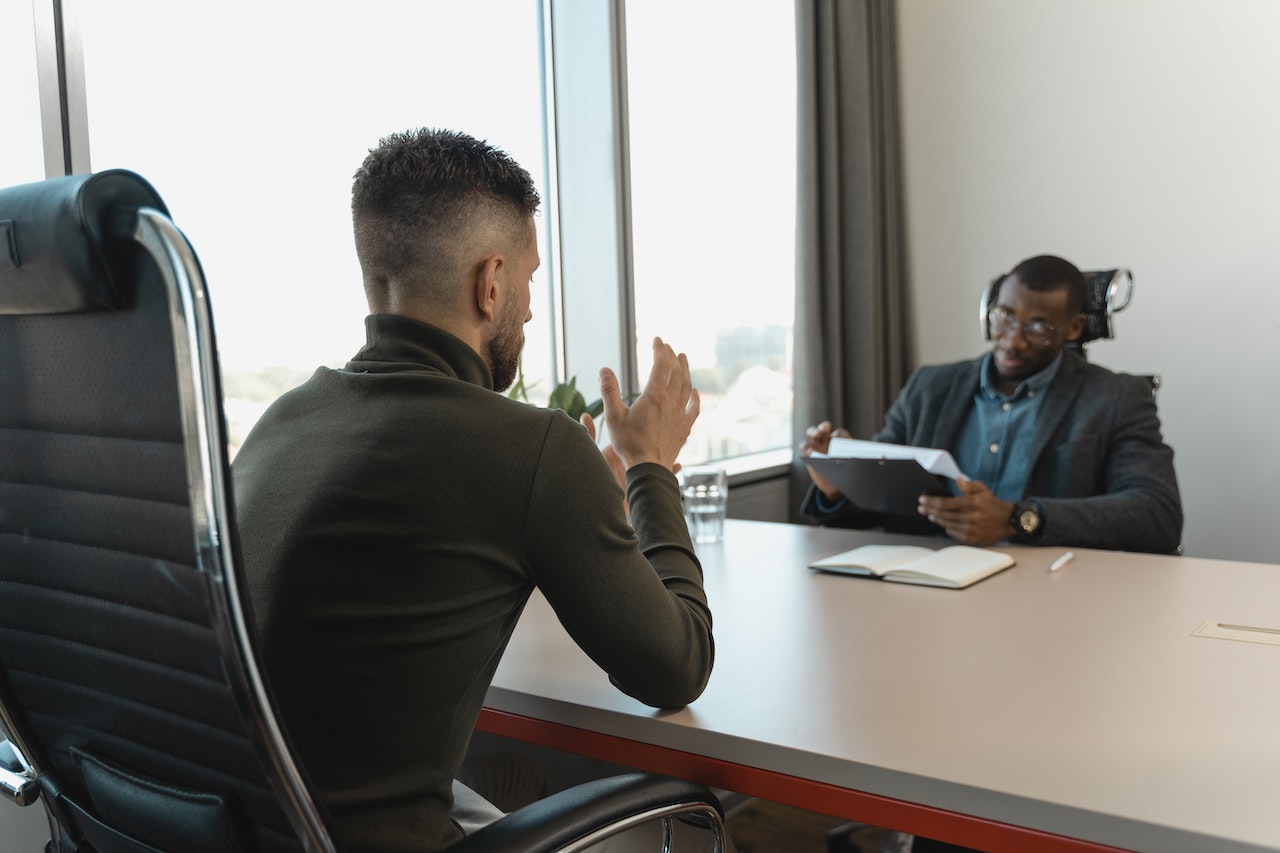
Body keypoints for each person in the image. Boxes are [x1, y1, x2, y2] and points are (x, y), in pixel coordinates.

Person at [231, 128, 715, 852]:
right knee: (695, 829)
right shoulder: (531, 445)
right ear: (490, 283)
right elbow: (678, 665)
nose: (526, 306)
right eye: (528, 279)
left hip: (255, 829)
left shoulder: (279, 423)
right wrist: (649, 465)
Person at [800, 254, 1183, 555]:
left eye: (1037, 327)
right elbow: (881, 501)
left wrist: (1019, 519)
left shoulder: (1116, 397)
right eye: (1004, 318)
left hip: (1052, 591)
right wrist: (840, 479)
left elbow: (1157, 514)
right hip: (928, 583)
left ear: (1073, 329)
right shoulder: (930, 387)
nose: (1013, 341)